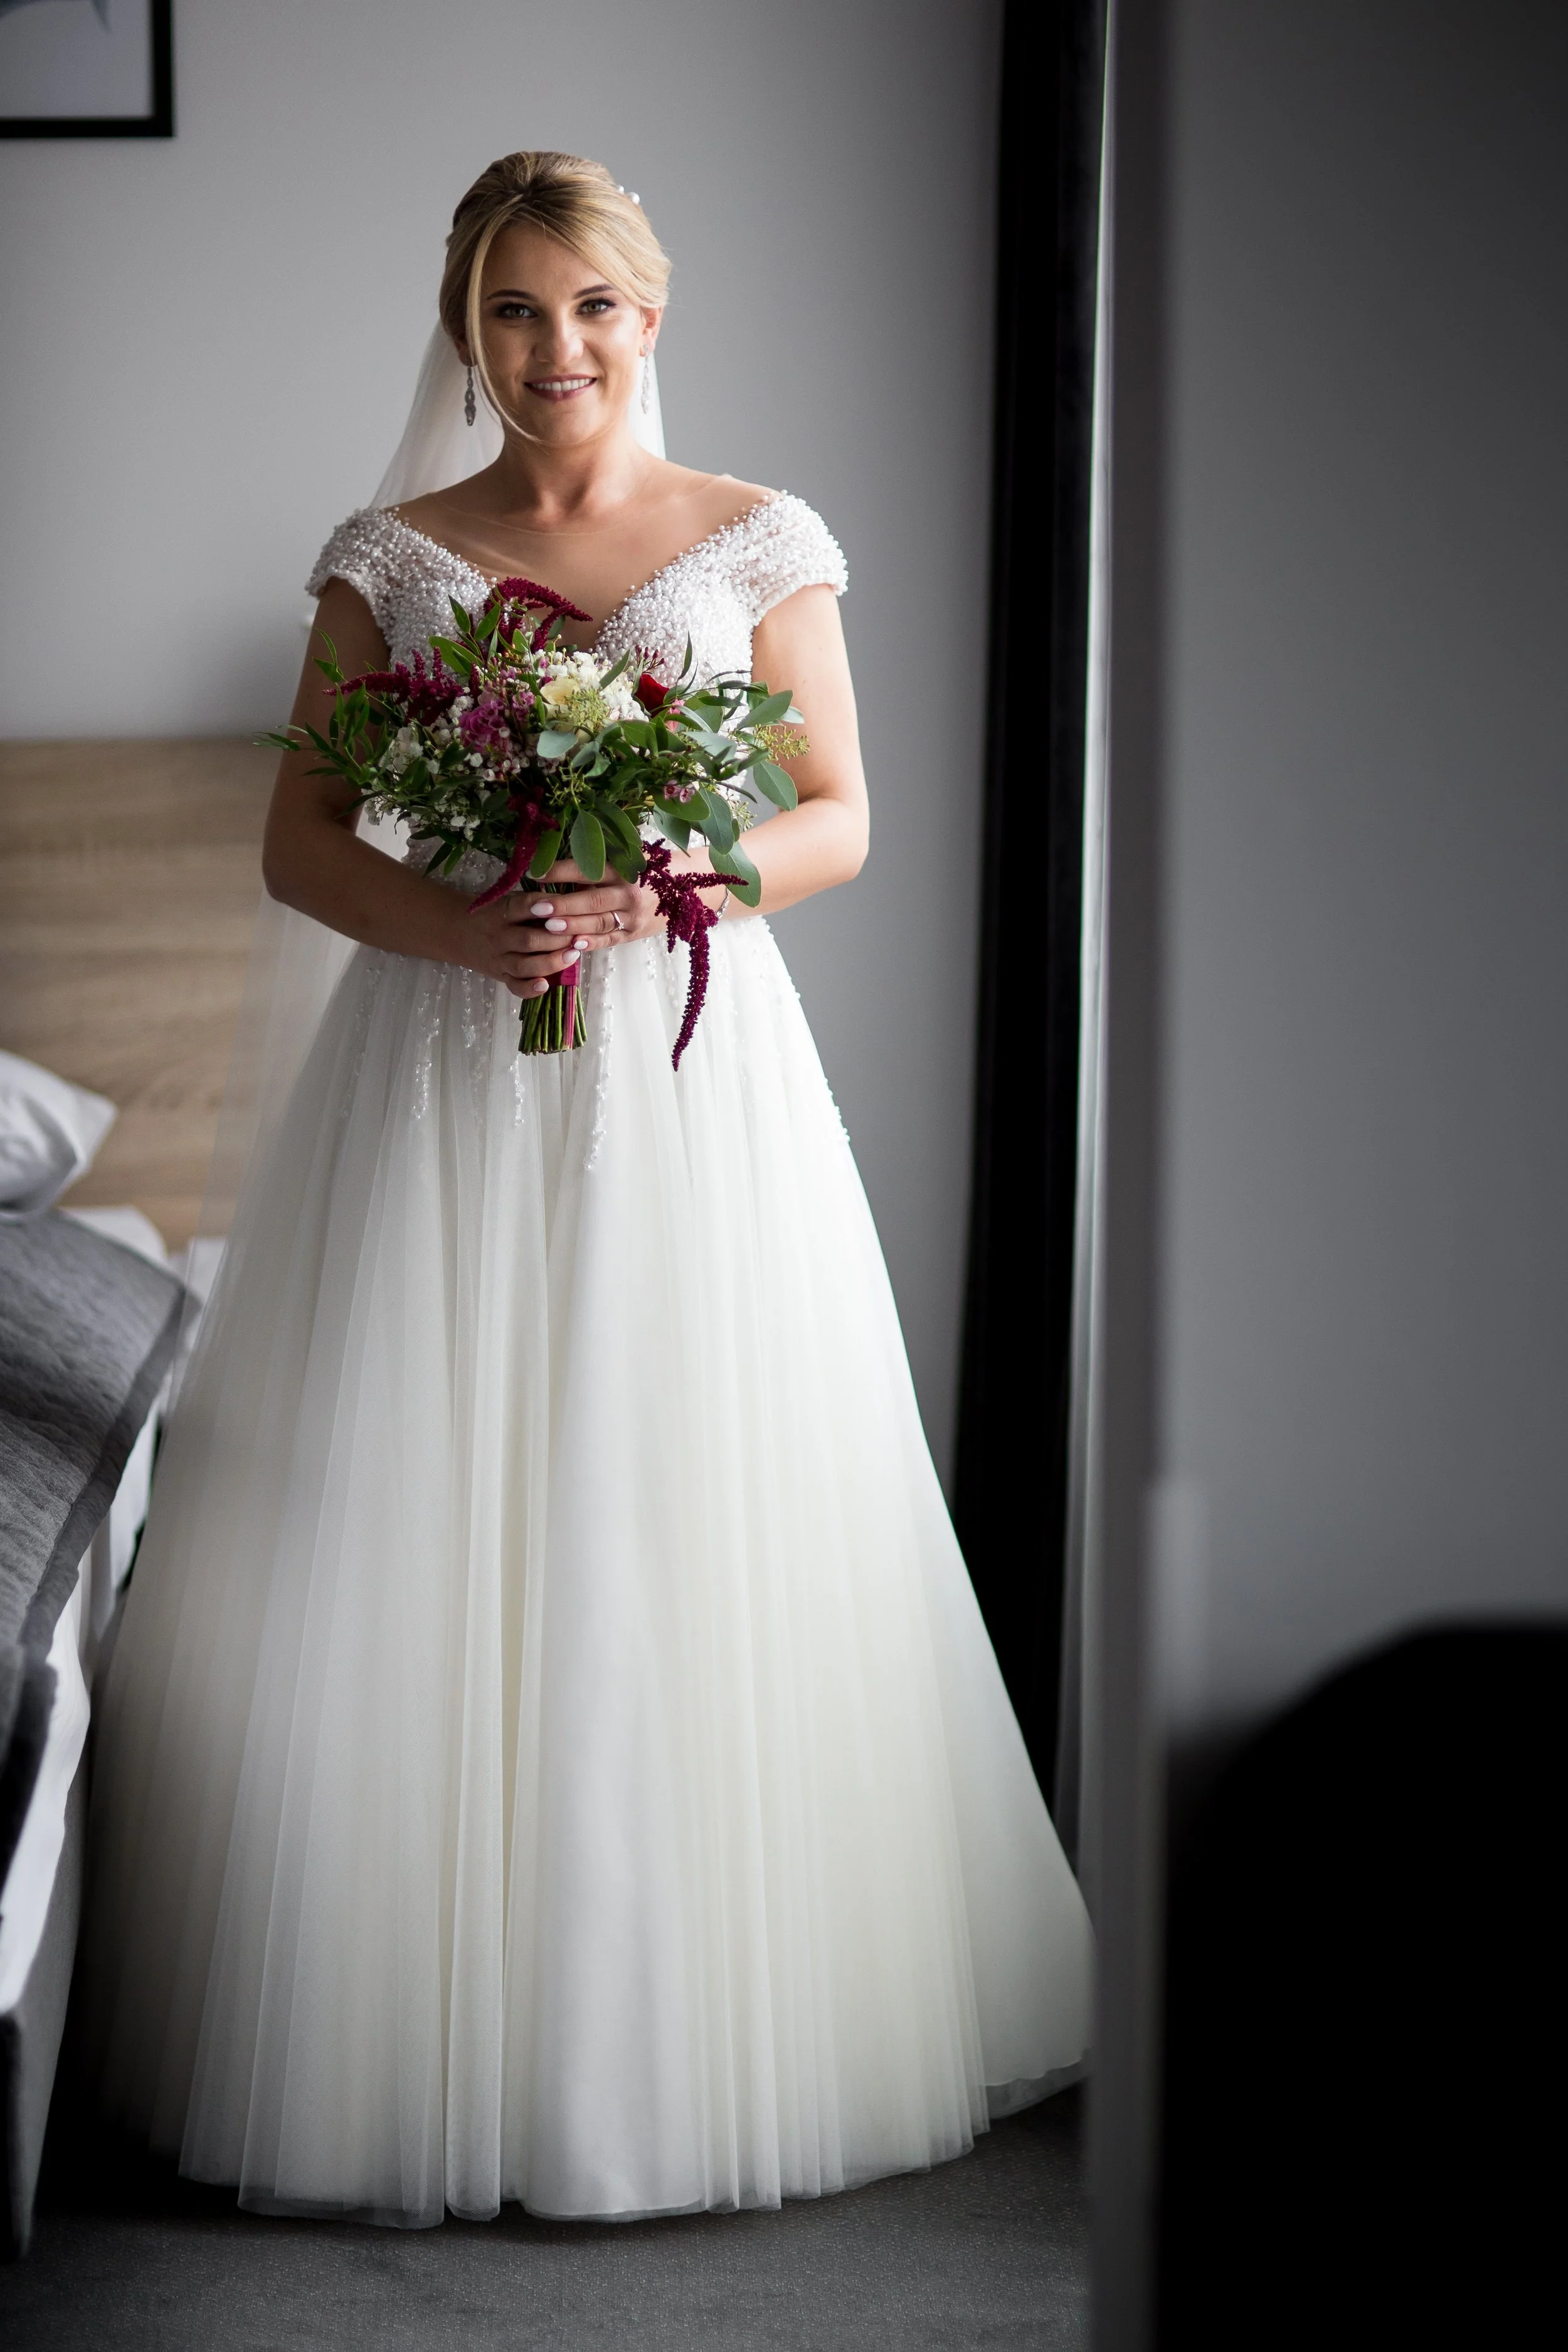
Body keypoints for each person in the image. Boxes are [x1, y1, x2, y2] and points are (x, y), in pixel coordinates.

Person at [80, 151, 1091, 2229]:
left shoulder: (754, 537)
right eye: (515, 316)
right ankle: (417, 2038)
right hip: (447, 1072)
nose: (555, 355)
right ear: (465, 329)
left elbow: (840, 813)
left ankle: (674, 2027)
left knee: (680, 1494)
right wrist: (460, 933)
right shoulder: (391, 551)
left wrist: (677, 877)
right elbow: (298, 846)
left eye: (592, 311)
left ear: (654, 313)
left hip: (690, 1075)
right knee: (438, 1502)